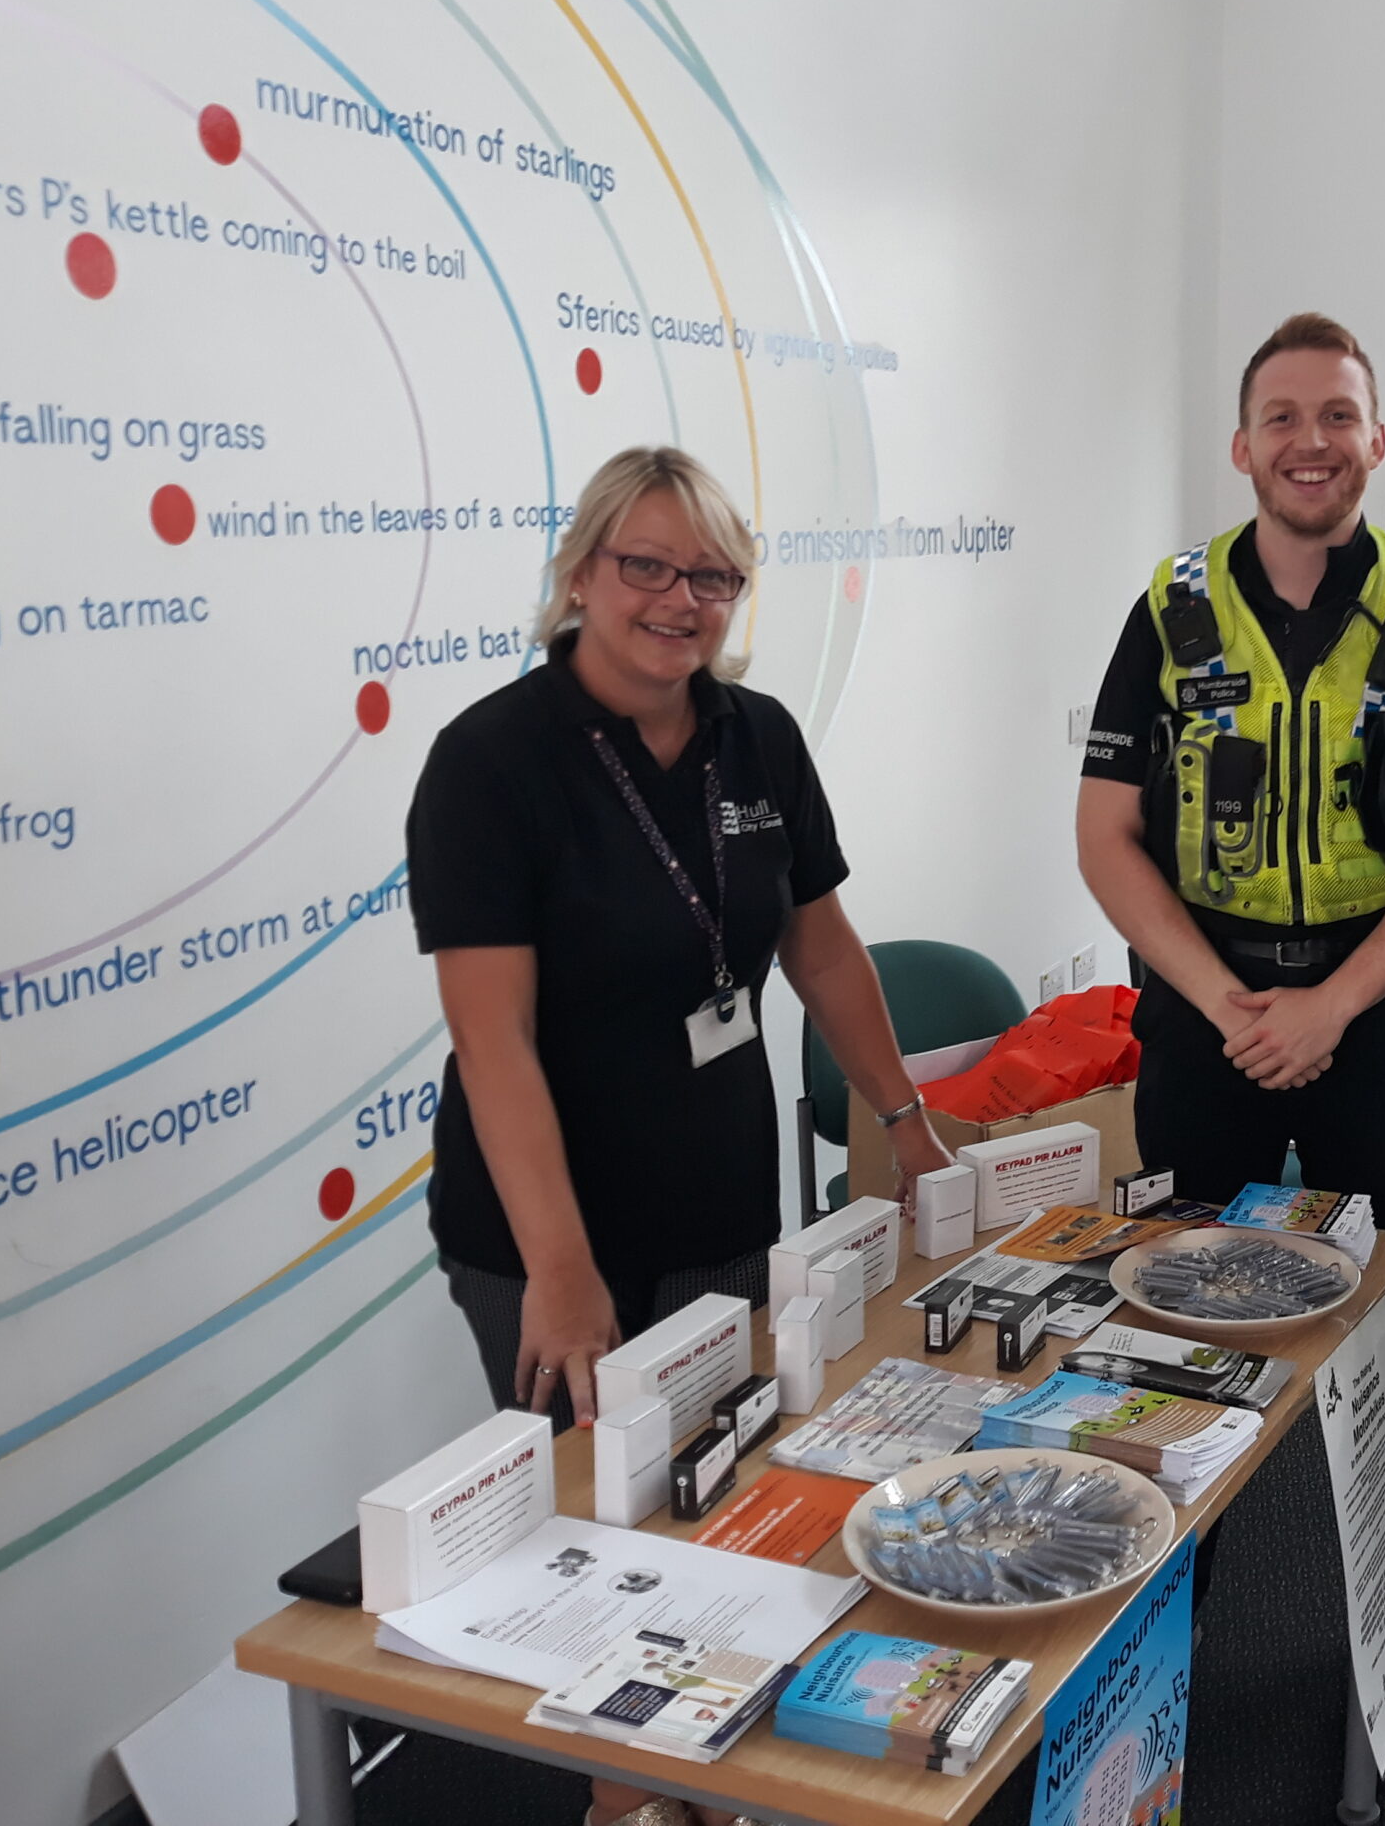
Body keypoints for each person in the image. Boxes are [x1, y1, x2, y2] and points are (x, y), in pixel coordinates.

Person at [406, 445, 953, 1826]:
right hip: (545, 1236)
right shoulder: (490, 761)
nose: (678, 599)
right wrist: (562, 1269)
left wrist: (905, 1119)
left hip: (716, 1204)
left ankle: (707, 1765)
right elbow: (492, 1040)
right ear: (581, 573)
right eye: (644, 565)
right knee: (601, 1526)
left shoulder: (756, 738)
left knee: (718, 1498)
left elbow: (822, 949)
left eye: (711, 574)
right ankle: (624, 1796)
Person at [1076, 312, 1385, 1745]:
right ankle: (1157, 1615)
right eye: (1284, 416)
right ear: (1242, 443)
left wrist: (1333, 1004)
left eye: (1337, 416)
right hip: (1206, 1007)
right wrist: (1225, 1004)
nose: (1310, 442)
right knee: (1167, 1310)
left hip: (1370, 1017)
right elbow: (1105, 835)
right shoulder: (1172, 610)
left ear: (1375, 439)